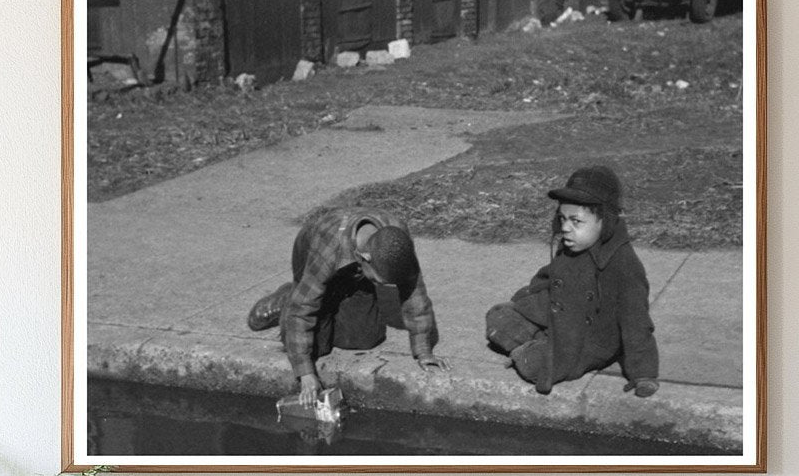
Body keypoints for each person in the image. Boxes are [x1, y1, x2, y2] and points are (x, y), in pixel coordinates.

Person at [485, 165, 659, 396]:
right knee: (499, 317)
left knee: (535, 366)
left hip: (588, 339)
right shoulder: (573, 245)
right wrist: (526, 301)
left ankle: (531, 349)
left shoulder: (623, 265)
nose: (566, 228)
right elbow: (550, 278)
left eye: (576, 222)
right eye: (562, 219)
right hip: (559, 317)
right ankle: (537, 341)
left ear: (604, 221)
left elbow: (636, 321)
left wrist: (643, 373)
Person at [247, 208, 448, 406]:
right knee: (317, 347)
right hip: (313, 256)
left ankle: (336, 295)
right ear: (365, 258)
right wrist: (305, 374)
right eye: (380, 281)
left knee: (364, 339)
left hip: (355, 270)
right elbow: (302, 313)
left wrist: (424, 351)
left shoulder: (397, 238)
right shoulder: (329, 246)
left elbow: (414, 294)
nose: (383, 287)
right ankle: (287, 297)